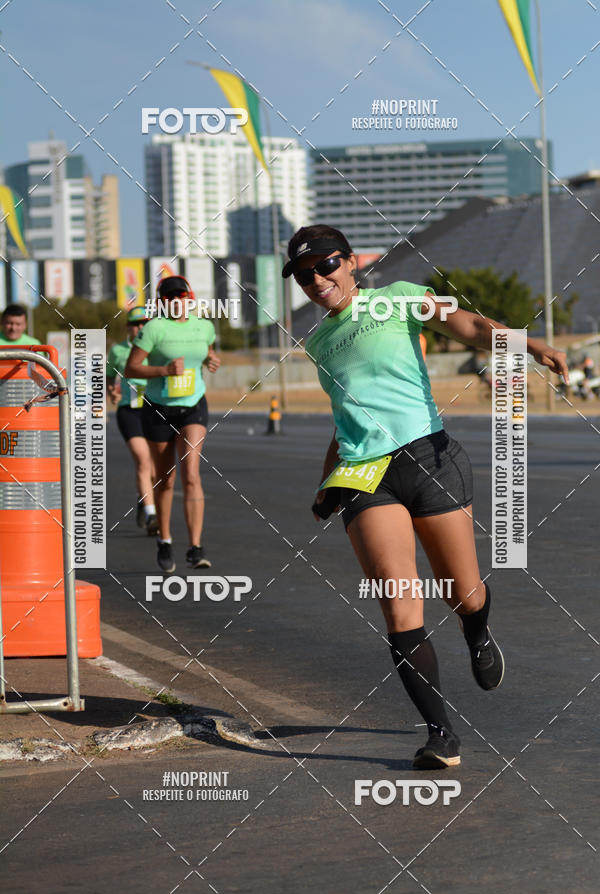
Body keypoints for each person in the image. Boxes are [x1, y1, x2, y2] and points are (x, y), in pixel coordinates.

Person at [284, 224, 568, 769]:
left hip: (428, 458)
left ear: (350, 262)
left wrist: (529, 343)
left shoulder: (400, 299)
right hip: (364, 478)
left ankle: (477, 630)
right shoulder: (316, 343)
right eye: (303, 274)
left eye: (325, 266)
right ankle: (441, 735)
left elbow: (471, 326)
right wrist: (327, 481)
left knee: (462, 591)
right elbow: (349, 418)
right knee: (398, 601)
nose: (316, 280)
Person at [124, 275, 220, 573]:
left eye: (181, 295)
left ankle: (195, 547)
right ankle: (164, 540)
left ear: (189, 298)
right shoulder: (154, 328)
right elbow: (131, 367)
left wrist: (211, 360)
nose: (176, 301)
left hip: (193, 406)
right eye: (170, 297)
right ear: (162, 302)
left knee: (191, 473)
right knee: (165, 480)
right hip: (158, 409)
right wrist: (164, 370)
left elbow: (208, 350)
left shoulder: (204, 326)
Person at [106, 307, 158, 535]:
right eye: (135, 324)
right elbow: (109, 377)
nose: (139, 328)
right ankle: (151, 513)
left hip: (154, 409)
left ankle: (144, 499)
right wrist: (112, 392)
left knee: (156, 470)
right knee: (143, 459)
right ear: (128, 327)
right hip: (129, 411)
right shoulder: (118, 351)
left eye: (144, 324)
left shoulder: (155, 348)